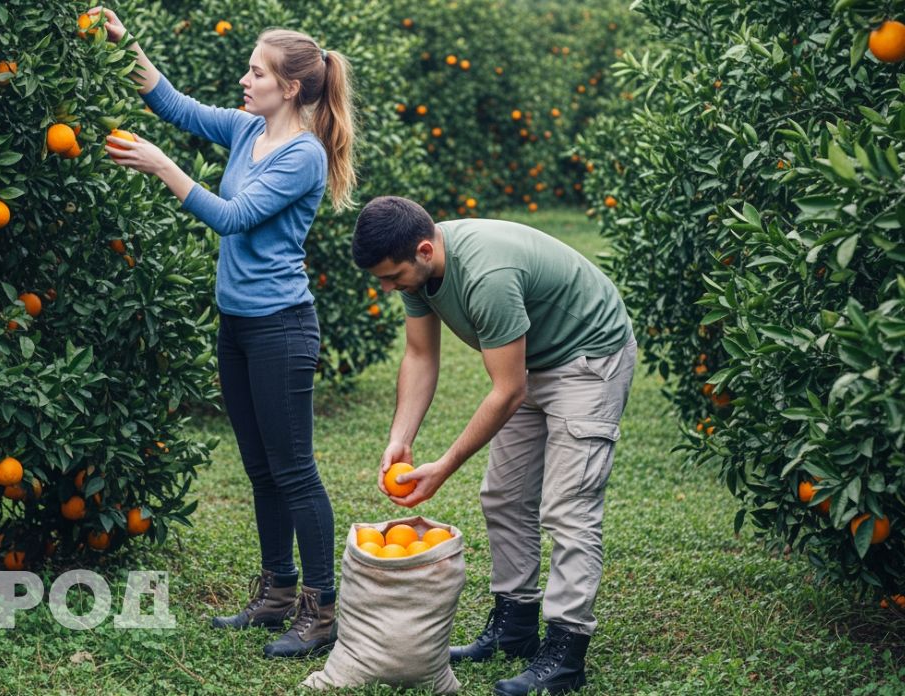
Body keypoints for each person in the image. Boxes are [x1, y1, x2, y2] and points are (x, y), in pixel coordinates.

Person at [87, 7, 356, 658]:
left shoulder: (302, 156)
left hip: (282, 327)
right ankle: (274, 593)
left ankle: (320, 610)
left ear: (290, 87)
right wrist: (128, 45)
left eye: (256, 71)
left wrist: (163, 168)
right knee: (261, 468)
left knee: (295, 470)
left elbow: (234, 218)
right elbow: (174, 105)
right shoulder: (247, 130)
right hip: (238, 324)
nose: (245, 79)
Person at [352, 196, 636, 695]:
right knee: (503, 495)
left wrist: (444, 466)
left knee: (568, 508)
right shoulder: (418, 269)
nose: (388, 287)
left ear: (423, 250)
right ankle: (516, 627)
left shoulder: (486, 274)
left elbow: (507, 391)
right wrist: (401, 438)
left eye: (391, 277)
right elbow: (420, 356)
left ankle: (566, 654)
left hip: (589, 357)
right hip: (531, 360)